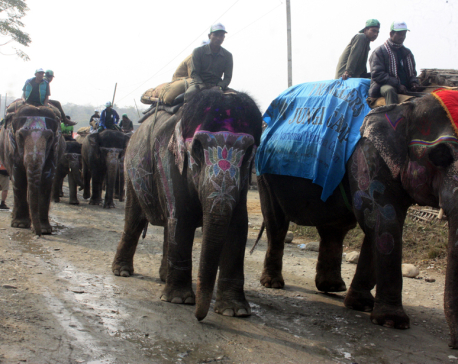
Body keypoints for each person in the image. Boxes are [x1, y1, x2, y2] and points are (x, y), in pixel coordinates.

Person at [369, 21, 420, 105]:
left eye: (404, 34)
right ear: (391, 34)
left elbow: (412, 74)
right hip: (382, 86)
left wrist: (414, 82)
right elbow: (377, 74)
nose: (402, 37)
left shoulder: (407, 53)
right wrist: (397, 85)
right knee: (390, 90)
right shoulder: (380, 51)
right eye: (399, 34)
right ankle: (392, 115)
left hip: (404, 87)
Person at [184, 23, 233, 102]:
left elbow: (227, 77)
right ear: (209, 36)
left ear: (224, 38)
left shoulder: (228, 55)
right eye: (215, 35)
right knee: (189, 94)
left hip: (217, 86)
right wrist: (202, 87)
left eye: (221, 35)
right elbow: (194, 73)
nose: (218, 38)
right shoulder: (198, 51)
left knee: (235, 99)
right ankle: (184, 112)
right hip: (199, 84)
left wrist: (219, 87)